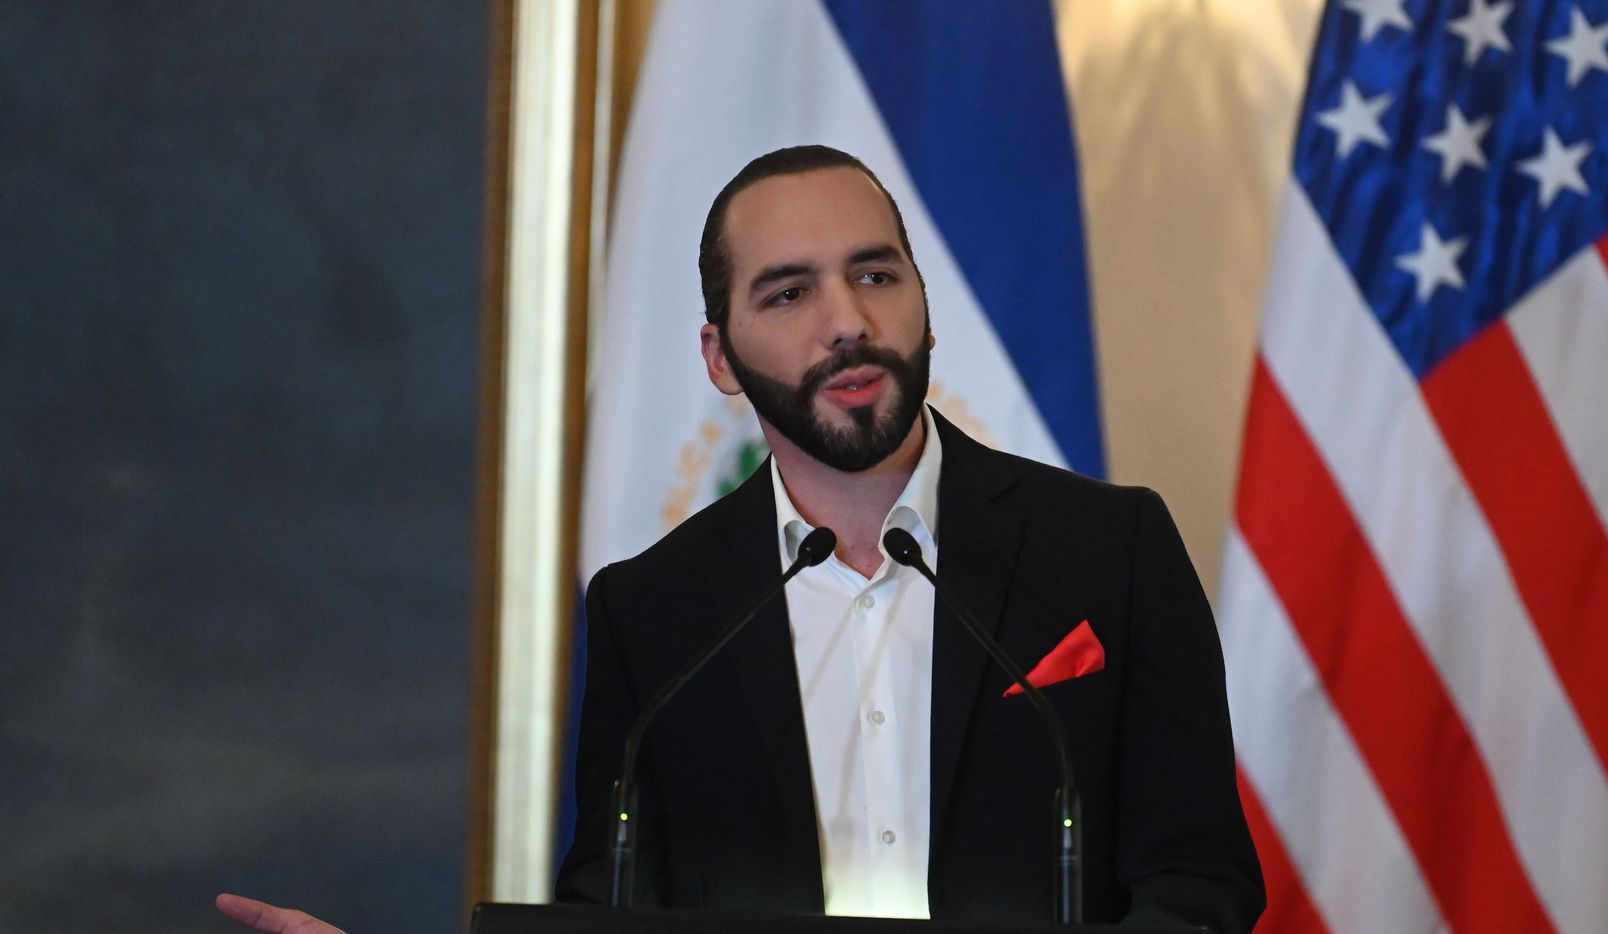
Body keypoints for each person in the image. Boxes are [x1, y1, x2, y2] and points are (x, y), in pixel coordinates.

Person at [218, 145, 1263, 932]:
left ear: (924, 304)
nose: (846, 320)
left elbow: (1200, 879)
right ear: (721, 357)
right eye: (789, 291)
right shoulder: (656, 612)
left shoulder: (1111, 550)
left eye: (876, 274)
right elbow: (616, 905)